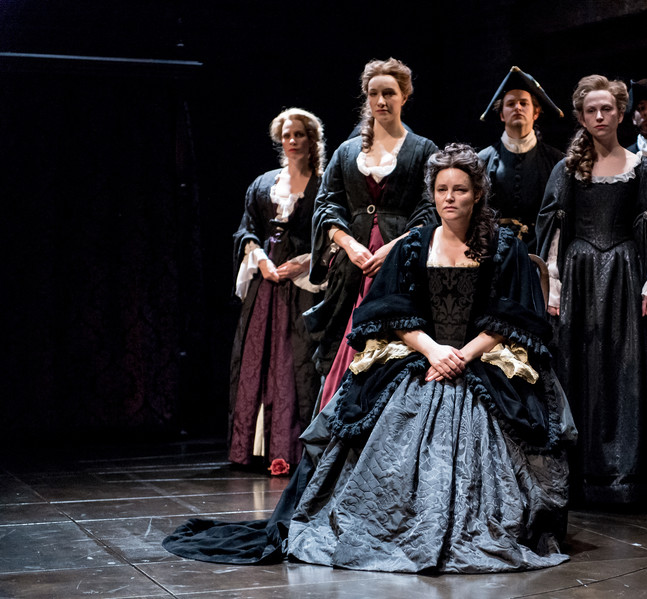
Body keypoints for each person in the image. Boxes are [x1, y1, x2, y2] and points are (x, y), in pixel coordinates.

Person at [163, 143, 575, 573]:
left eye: (460, 190)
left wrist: (462, 355)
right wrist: (433, 350)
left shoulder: (504, 247)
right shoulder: (413, 245)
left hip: (481, 357)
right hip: (422, 354)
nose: (450, 198)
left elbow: (512, 316)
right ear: (432, 194)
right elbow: (389, 311)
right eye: (442, 190)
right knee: (372, 418)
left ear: (478, 194)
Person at [537, 75, 647, 506]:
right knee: (579, 365)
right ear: (580, 117)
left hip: (626, 276)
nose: (600, 116)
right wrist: (552, 287)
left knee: (626, 368)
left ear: (621, 113)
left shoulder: (644, 169)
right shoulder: (567, 169)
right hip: (579, 276)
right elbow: (554, 229)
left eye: (607, 108)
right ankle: (580, 474)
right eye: (591, 110)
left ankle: (627, 475)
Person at [305, 58, 438, 411]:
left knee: (395, 341)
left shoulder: (424, 150)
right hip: (353, 266)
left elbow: (430, 209)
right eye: (374, 93)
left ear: (404, 96)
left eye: (389, 93)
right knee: (344, 342)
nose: (381, 101)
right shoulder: (347, 152)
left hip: (401, 263)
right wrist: (349, 245)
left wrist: (394, 247)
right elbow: (326, 205)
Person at [228, 108, 326, 475]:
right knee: (257, 357)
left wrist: (304, 262)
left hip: (302, 286)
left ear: (311, 139)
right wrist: (260, 258)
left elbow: (332, 233)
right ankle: (251, 448)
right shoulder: (263, 184)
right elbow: (247, 229)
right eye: (286, 135)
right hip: (266, 285)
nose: (292, 141)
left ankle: (290, 448)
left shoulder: (323, 185)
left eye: (299, 134)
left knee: (293, 360)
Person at [478, 66, 564, 251]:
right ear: (502, 115)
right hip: (495, 251)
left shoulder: (556, 160)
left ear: (536, 112)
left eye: (524, 103)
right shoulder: (482, 160)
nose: (517, 107)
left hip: (542, 250)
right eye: (510, 104)